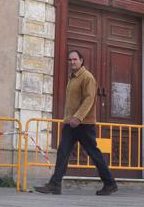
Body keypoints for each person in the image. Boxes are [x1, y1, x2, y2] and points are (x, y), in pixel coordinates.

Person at [34, 50, 118, 196]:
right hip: (70, 123)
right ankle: (55, 185)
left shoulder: (87, 77)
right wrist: (70, 119)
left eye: (75, 59)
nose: (72, 62)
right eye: (70, 59)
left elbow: (89, 99)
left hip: (83, 124)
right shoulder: (72, 78)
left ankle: (110, 184)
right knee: (63, 152)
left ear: (81, 60)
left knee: (94, 153)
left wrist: (78, 117)